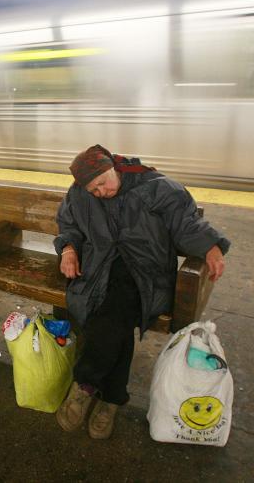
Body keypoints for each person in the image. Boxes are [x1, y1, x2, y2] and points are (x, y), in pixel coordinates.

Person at [53, 144, 230, 440]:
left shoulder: (156, 188)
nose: (100, 193)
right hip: (98, 268)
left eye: (102, 184)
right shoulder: (79, 193)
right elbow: (68, 224)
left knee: (110, 312)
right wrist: (68, 249)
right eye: (93, 190)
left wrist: (210, 247)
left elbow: (186, 222)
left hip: (146, 273)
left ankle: (84, 384)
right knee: (114, 320)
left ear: (113, 168)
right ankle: (112, 398)